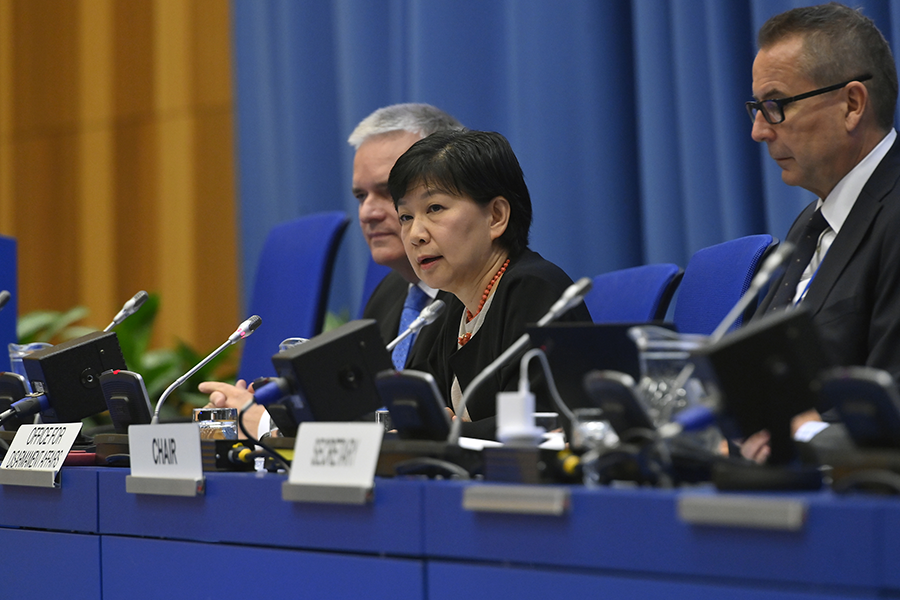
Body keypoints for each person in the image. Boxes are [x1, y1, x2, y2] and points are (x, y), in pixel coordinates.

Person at [199, 104, 463, 437]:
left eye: (388, 191)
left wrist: (269, 426)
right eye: (360, 195)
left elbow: (423, 427)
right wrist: (256, 410)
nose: (367, 212)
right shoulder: (391, 294)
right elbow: (358, 412)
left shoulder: (472, 297)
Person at [742, 3, 900, 460]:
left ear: (852, 104)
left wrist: (806, 435)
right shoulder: (809, 225)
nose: (758, 131)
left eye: (775, 106)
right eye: (757, 108)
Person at [390, 130, 591, 439]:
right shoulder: (449, 304)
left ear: (496, 216)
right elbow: (419, 413)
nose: (416, 233)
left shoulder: (534, 291)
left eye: (435, 209)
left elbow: (542, 425)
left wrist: (450, 430)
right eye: (405, 216)